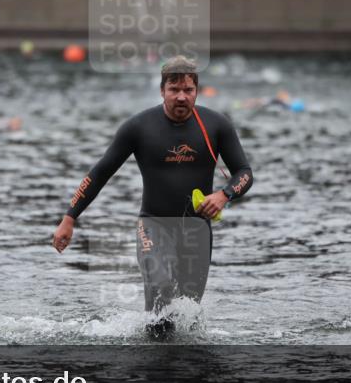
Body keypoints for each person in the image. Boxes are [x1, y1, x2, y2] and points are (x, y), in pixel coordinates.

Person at [51, 56, 254, 339]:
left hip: (197, 229)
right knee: (161, 289)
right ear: (162, 90)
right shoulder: (138, 127)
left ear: (197, 90)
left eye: (188, 90)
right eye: (174, 89)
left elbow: (244, 173)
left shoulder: (217, 125)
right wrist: (69, 217)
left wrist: (224, 194)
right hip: (153, 225)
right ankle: (153, 372)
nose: (181, 97)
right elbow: (99, 173)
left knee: (188, 313)